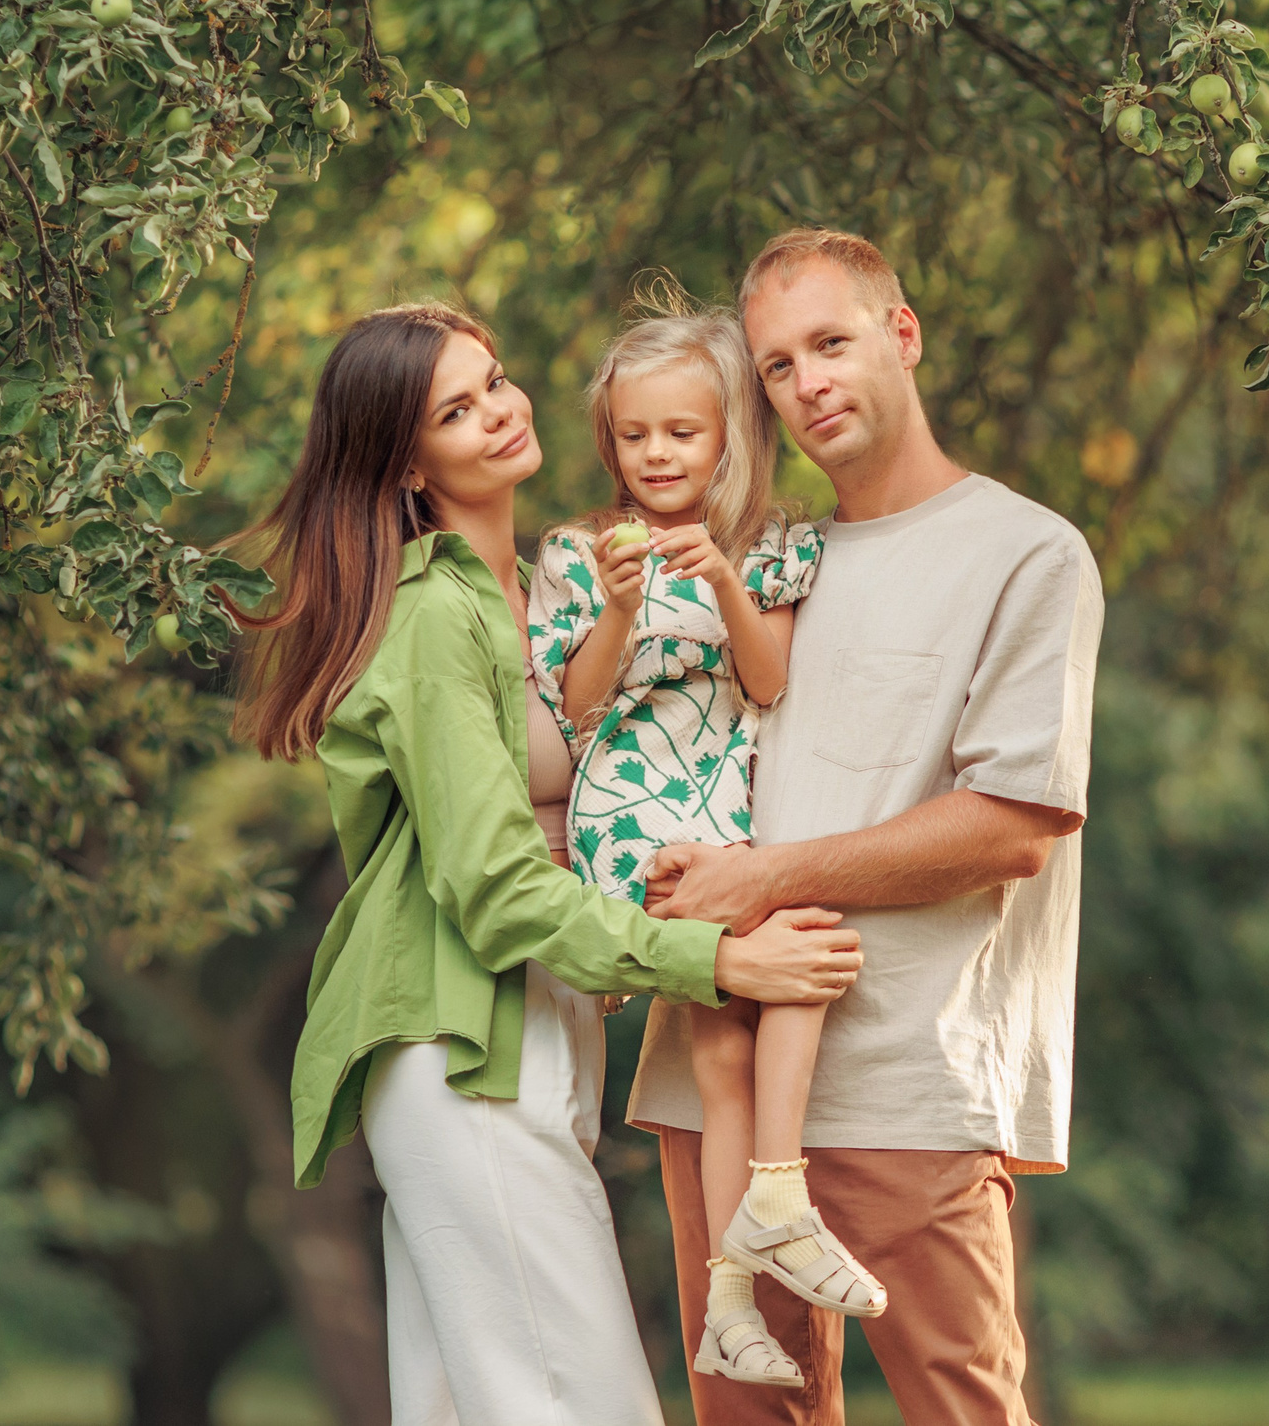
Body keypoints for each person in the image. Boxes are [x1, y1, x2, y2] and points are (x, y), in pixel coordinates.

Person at [236, 301, 867, 1426]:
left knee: (457, 1407)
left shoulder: (538, 590)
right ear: (403, 463)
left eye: (496, 379)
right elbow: (493, 886)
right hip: (462, 1052)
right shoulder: (432, 617)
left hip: (530, 1036)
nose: (498, 413)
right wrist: (718, 962)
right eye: (455, 410)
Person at [629, 230, 1106, 1426]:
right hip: (719, 1066)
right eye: (778, 367)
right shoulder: (754, 557)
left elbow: (1011, 827)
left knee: (965, 1412)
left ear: (903, 334)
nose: (808, 385)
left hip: (909, 1075)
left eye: (830, 344)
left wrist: (763, 877)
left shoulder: (1026, 553)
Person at [528, 305, 875, 1394]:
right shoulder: (580, 554)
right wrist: (623, 612)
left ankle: (731, 1299)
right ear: (610, 442)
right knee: (804, 945)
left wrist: (720, 580)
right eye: (634, 437)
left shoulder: (771, 547)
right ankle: (780, 1196)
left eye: (681, 433)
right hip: (634, 818)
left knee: (725, 1062)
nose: (657, 457)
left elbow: (768, 682)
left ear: (728, 433)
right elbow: (578, 712)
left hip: (729, 818)